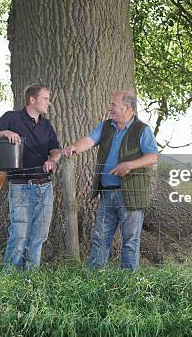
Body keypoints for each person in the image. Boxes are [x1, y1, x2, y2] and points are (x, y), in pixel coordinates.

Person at [63, 91, 158, 270]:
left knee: (130, 242)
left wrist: (129, 165)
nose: (110, 108)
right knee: (99, 238)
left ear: (127, 108)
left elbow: (153, 157)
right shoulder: (107, 126)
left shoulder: (142, 129)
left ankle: (129, 283)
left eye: (114, 105)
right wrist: (75, 147)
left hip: (131, 196)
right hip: (107, 194)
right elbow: (89, 140)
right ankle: (93, 280)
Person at [0, 84, 61, 270]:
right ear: (32, 100)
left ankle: (30, 277)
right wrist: (4, 132)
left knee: (39, 236)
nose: (49, 103)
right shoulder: (12, 118)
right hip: (20, 187)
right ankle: (9, 278)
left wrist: (52, 159)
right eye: (46, 99)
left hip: (44, 186)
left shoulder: (46, 125)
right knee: (19, 234)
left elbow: (55, 149)